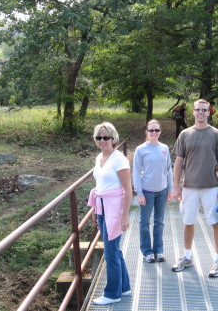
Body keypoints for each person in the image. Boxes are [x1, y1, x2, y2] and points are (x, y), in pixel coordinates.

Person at [171, 99, 218, 277]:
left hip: (211, 187)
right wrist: (176, 186)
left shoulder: (217, 135)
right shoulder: (185, 134)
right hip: (189, 186)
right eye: (198, 110)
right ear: (193, 112)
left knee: (216, 223)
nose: (201, 113)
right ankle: (187, 257)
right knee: (188, 222)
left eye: (204, 110)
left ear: (209, 112)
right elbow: (179, 161)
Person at [87, 122, 132, 305]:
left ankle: (112, 294)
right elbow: (100, 184)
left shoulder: (119, 159)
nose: (102, 140)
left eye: (106, 137)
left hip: (114, 209)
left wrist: (125, 215)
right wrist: (95, 208)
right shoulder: (99, 157)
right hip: (102, 207)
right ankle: (124, 287)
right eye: (99, 137)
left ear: (113, 138)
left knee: (111, 252)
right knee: (115, 250)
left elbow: (128, 189)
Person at [133, 119, 174, 263]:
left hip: (162, 190)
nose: (154, 133)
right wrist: (139, 193)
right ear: (147, 132)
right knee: (144, 222)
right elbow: (136, 172)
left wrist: (171, 189)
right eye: (151, 130)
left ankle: (159, 250)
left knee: (159, 221)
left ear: (160, 132)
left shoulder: (164, 148)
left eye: (157, 130)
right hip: (147, 191)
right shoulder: (141, 149)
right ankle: (147, 251)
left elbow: (169, 169)